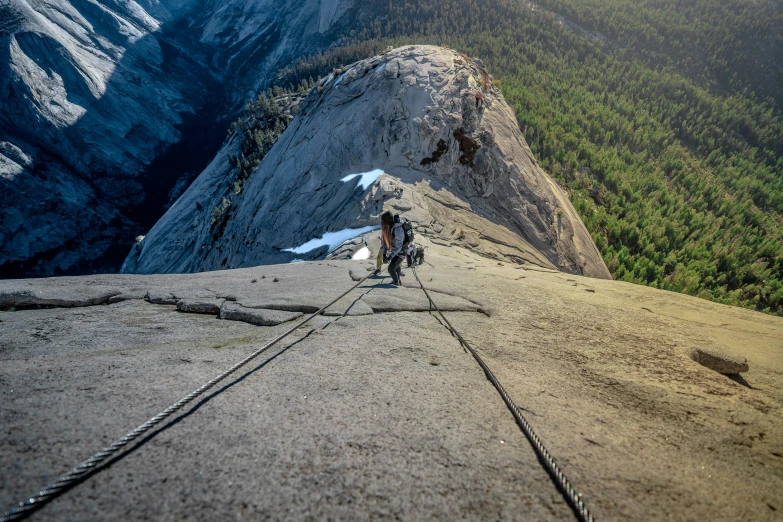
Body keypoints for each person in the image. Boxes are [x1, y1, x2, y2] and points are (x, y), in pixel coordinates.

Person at [380, 211, 404, 285]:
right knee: (396, 267)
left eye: (383, 222)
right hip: (395, 251)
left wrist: (390, 256)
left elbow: (399, 246)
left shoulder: (398, 229)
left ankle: (396, 283)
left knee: (391, 269)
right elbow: (385, 242)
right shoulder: (389, 228)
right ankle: (398, 280)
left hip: (402, 251)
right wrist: (384, 254)